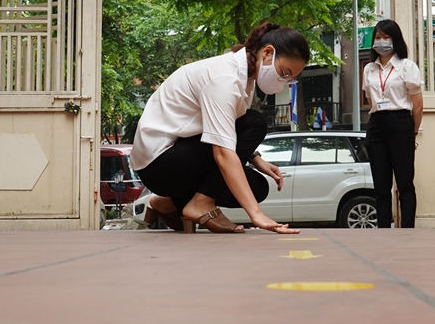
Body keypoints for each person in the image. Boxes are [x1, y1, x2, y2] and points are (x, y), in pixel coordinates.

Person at [131, 22, 309, 234]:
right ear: (268, 52)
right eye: (284, 72)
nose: (284, 81)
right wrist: (257, 215)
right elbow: (223, 153)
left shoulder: (246, 79)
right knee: (255, 122)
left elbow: (223, 126)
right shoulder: (224, 79)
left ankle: (167, 203)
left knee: (258, 186)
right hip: (160, 163)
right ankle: (200, 204)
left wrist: (255, 158)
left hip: (177, 159)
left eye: (289, 78)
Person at [362, 19, 423, 228]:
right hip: (377, 122)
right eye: (378, 37)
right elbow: (370, 100)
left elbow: (417, 106)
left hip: (400, 122)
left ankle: (407, 228)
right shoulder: (369, 69)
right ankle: (383, 229)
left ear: (395, 40)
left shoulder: (406, 66)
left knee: (405, 182)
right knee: (381, 184)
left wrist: (413, 132)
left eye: (386, 37)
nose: (382, 42)